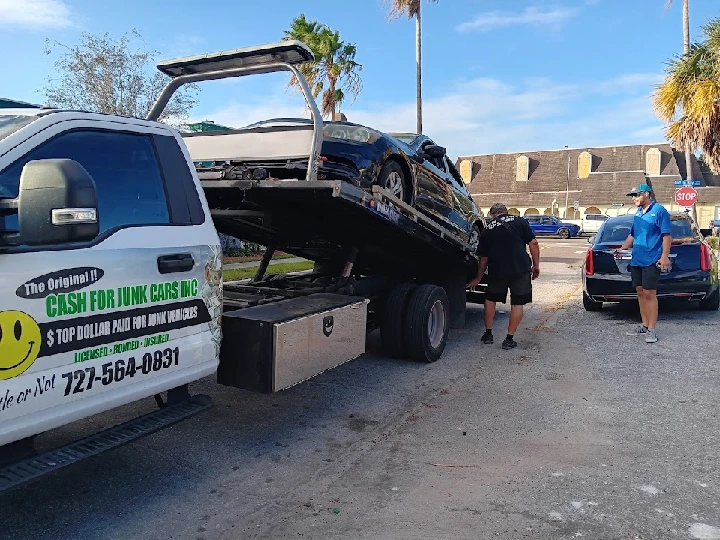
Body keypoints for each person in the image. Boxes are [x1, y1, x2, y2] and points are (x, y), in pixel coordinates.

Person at [467, 203, 540, 350]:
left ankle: (488, 334)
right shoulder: (520, 221)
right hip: (520, 269)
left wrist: (478, 278)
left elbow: (484, 259)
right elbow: (533, 243)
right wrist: (536, 265)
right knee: (517, 303)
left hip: (497, 271)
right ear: (506, 212)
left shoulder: (487, 229)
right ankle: (509, 339)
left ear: (493, 215)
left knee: (491, 299)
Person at [616, 183, 672, 343]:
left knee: (649, 293)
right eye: (632, 196)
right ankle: (645, 325)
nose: (634, 198)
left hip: (652, 259)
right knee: (640, 291)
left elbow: (666, 236)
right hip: (637, 259)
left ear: (647, 194)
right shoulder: (638, 213)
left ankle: (652, 329)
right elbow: (633, 235)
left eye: (636, 195)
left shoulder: (659, 211)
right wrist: (622, 249)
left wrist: (664, 257)